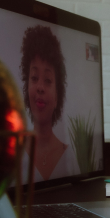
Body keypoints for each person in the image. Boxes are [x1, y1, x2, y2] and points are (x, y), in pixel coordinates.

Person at [20, 25, 76, 181]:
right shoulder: (14, 154)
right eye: (34, 78)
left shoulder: (70, 158)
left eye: (48, 80)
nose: (40, 87)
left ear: (57, 96)